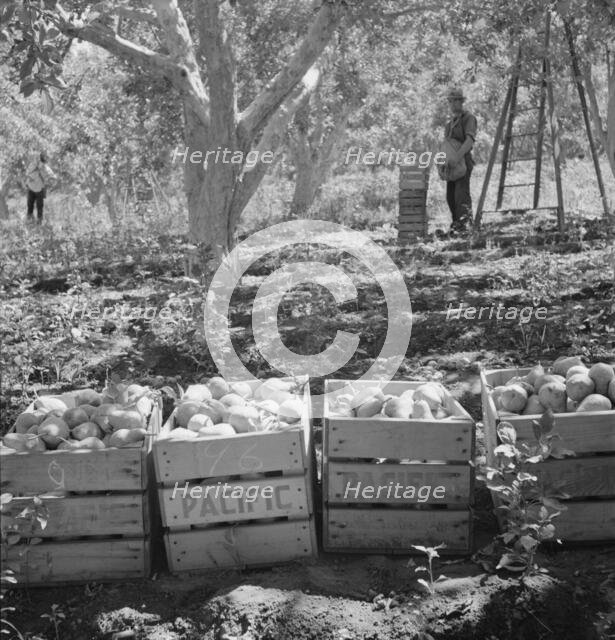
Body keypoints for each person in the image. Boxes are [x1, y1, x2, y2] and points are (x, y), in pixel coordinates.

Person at [444, 87, 477, 233]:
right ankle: (456, 224)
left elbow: (469, 140)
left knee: (461, 194)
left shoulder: (469, 118)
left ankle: (466, 226)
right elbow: (446, 145)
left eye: (454, 101)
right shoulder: (449, 124)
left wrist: (457, 157)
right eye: (449, 101)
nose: (451, 104)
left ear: (460, 102)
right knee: (450, 196)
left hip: (463, 162)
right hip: (451, 165)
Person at [25, 151, 55, 224]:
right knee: (33, 206)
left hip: (37, 189)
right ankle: (33, 221)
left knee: (36, 206)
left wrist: (48, 179)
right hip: (34, 188)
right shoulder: (35, 165)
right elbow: (27, 173)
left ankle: (37, 221)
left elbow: (52, 177)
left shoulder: (45, 168)